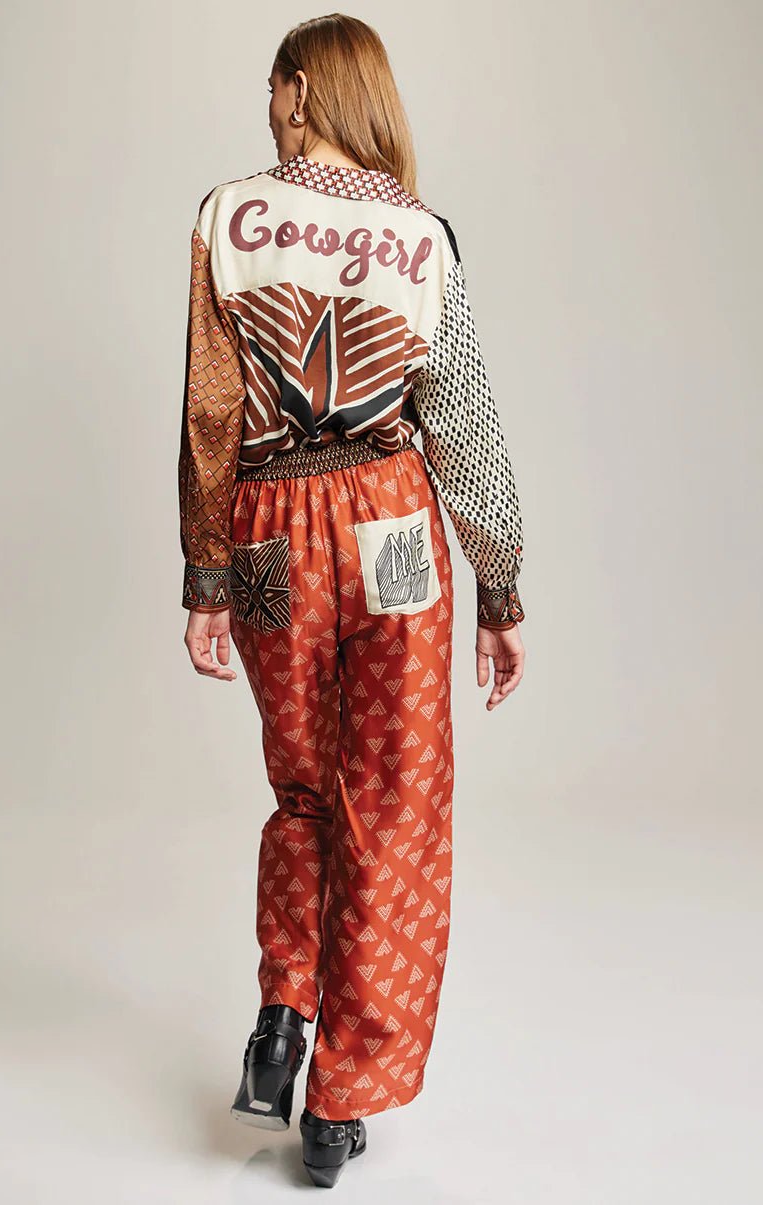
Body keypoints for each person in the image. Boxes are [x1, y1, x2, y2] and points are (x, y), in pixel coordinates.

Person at [178, 13, 526, 1188]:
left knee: (303, 789)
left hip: (270, 533)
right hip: (389, 527)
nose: (266, 105)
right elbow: (462, 424)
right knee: (389, 804)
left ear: (296, 91)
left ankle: (282, 1015)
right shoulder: (420, 234)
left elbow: (212, 413)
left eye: (271, 87)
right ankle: (337, 1104)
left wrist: (207, 576)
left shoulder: (226, 216)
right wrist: (501, 585)